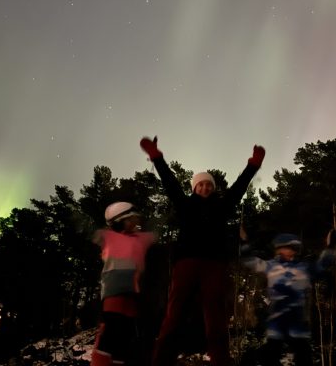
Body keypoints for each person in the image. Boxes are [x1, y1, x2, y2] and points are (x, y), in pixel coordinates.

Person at [139, 136, 265, 366]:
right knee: (174, 314)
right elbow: (170, 182)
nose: (205, 187)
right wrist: (157, 158)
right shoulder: (185, 204)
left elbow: (238, 188)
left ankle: (221, 360)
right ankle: (160, 360)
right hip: (186, 264)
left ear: (213, 188)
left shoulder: (222, 206)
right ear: (194, 187)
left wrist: (253, 166)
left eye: (209, 184)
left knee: (215, 317)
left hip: (214, 265)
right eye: (201, 184)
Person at [239, 230, 336, 366]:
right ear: (279, 249)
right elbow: (249, 261)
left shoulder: (303, 268)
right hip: (277, 321)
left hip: (297, 321)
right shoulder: (271, 266)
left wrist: (330, 247)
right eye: (287, 247)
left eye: (293, 248)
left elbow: (322, 266)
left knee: (304, 357)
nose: (291, 251)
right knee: (270, 357)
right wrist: (244, 242)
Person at [91, 201, 155, 366]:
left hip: (132, 293)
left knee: (125, 336)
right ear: (119, 222)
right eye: (131, 220)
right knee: (111, 331)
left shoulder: (140, 239)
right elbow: (89, 229)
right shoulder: (109, 237)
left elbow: (156, 233)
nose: (135, 223)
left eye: (136, 219)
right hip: (114, 291)